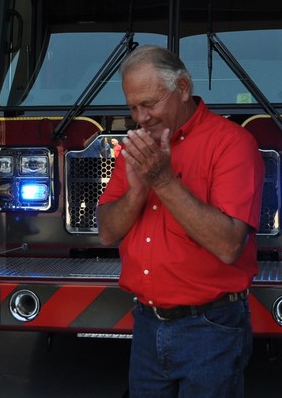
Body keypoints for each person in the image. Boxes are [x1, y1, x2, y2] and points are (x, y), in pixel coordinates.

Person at [97, 46, 265, 397]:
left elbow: (229, 245)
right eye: (132, 107)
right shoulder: (138, 148)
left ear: (184, 88)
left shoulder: (232, 144)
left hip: (211, 327)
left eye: (150, 103)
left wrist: (162, 181)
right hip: (146, 324)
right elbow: (107, 231)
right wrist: (137, 192)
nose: (141, 118)